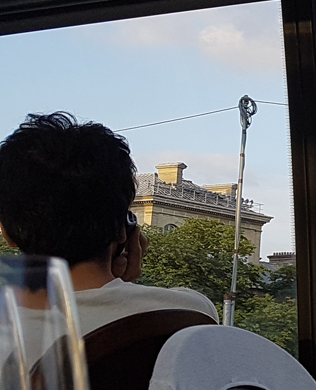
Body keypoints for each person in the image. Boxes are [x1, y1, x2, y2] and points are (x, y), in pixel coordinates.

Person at [0, 112, 218, 334]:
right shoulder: (193, 312)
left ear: (6, 232)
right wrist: (121, 288)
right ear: (124, 231)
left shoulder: (10, 329)